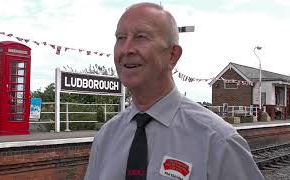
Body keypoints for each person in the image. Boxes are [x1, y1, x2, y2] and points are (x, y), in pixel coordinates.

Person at [84, 2, 264, 180]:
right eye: (120, 38)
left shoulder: (218, 141)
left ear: (172, 55)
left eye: (141, 37)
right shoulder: (106, 138)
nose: (126, 49)